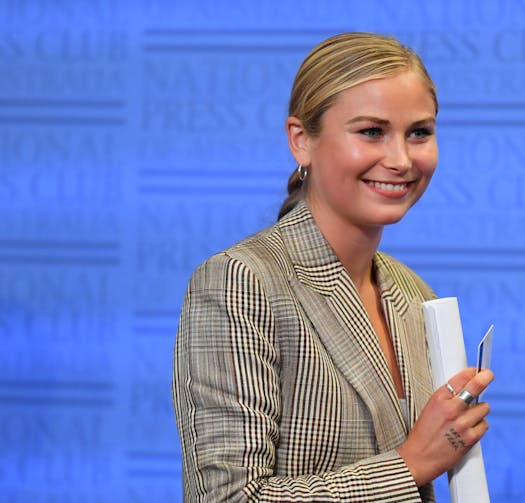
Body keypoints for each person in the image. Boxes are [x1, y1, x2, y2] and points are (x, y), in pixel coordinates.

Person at [172, 32, 494, 502]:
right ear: (301, 141)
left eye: (419, 132)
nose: (401, 159)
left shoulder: (413, 292)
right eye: (371, 132)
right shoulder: (240, 282)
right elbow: (229, 498)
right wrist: (411, 465)